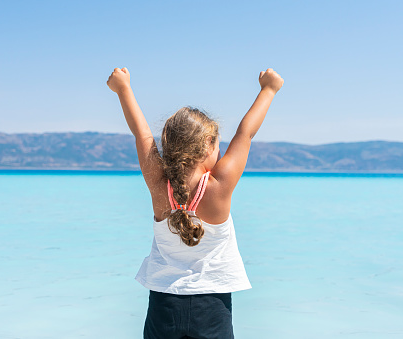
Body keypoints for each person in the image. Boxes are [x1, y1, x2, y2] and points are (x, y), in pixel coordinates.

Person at [106, 67, 284, 339]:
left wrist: (124, 89)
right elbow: (245, 134)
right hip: (212, 308)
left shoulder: (158, 184)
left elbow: (141, 135)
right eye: (218, 145)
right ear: (208, 144)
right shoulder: (219, 185)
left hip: (163, 306)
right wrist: (268, 90)